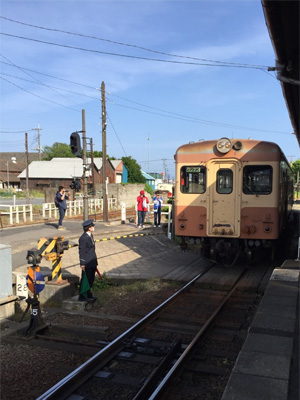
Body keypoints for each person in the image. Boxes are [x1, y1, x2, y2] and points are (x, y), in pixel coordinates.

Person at [78, 219, 98, 302]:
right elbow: (82, 251)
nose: (93, 227)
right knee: (86, 279)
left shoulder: (90, 236)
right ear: (89, 228)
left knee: (91, 279)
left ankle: (89, 293)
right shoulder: (84, 238)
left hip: (92, 261)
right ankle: (83, 295)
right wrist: (82, 263)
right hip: (87, 262)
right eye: (92, 226)